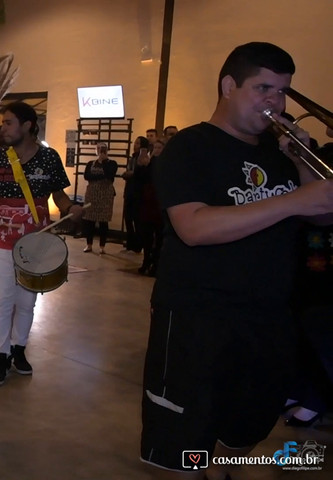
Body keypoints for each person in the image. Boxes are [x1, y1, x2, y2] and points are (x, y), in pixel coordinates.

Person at [140, 42, 333, 480]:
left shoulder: (278, 152)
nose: (275, 102)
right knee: (184, 446)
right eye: (263, 87)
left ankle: (220, 468)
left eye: (282, 91)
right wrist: (291, 201)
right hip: (196, 320)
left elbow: (322, 212)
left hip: (269, 319)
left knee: (247, 428)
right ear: (229, 86)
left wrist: (301, 162)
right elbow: (195, 228)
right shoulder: (189, 148)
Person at [0, 101, 82, 388]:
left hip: (35, 241)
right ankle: (0, 356)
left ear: (27, 125)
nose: (3, 128)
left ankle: (18, 350)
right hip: (1, 239)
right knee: (2, 301)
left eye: (9, 122)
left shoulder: (49, 158)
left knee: (27, 301)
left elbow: (59, 195)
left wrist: (69, 207)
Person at [82, 143, 118, 254]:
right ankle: (89, 244)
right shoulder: (90, 163)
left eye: (103, 149)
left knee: (103, 220)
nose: (100, 151)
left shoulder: (112, 163)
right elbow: (87, 176)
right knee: (89, 220)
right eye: (98, 148)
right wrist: (100, 176)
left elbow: (109, 175)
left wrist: (104, 162)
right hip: (92, 194)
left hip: (105, 194)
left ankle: (102, 246)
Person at [136, 139, 164, 275]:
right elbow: (140, 179)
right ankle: (146, 261)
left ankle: (156, 264)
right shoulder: (148, 162)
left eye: (160, 147)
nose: (157, 150)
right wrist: (143, 165)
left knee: (159, 237)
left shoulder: (167, 163)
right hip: (147, 203)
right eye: (155, 147)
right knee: (146, 236)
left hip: (160, 204)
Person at [122, 136, 149, 253]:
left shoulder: (144, 159)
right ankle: (130, 242)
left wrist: (131, 174)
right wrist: (130, 174)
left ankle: (138, 244)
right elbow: (126, 173)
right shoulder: (132, 158)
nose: (135, 145)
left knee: (137, 219)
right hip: (129, 191)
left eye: (138, 143)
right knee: (127, 218)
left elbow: (138, 174)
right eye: (135, 143)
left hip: (138, 192)